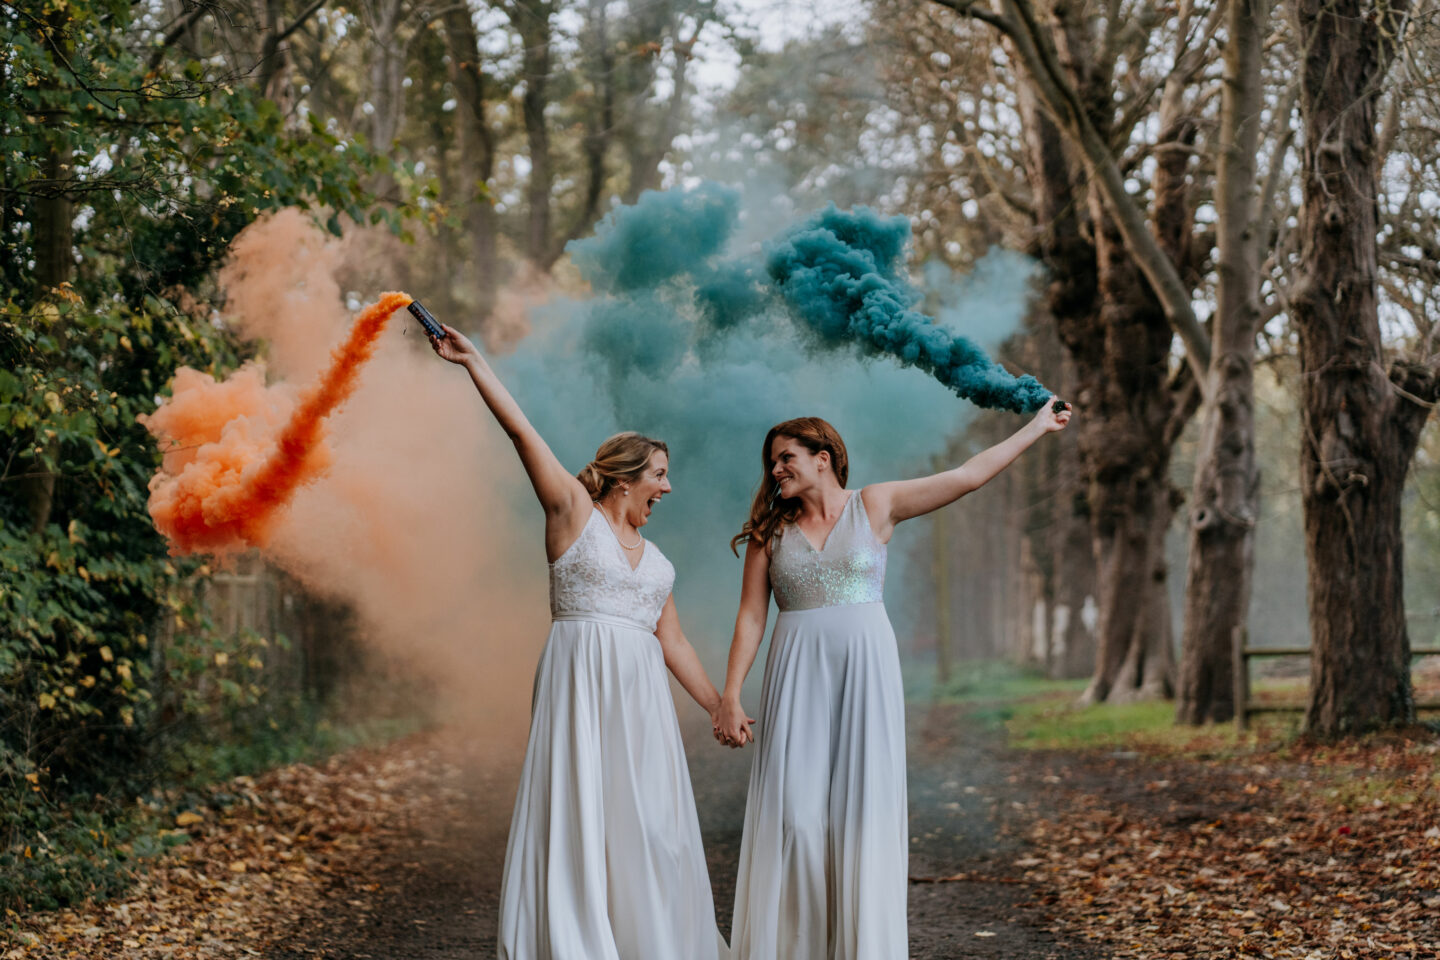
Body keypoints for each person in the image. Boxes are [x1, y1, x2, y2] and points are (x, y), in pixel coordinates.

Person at [715, 401, 1072, 960]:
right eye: (772, 463)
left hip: (864, 671)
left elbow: (966, 477)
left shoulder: (875, 505)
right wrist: (731, 694)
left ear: (824, 459)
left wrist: (1037, 425)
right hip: (795, 673)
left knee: (859, 814)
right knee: (797, 817)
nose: (775, 470)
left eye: (785, 458)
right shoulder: (769, 532)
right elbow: (751, 617)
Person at [428, 323, 725, 960]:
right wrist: (473, 360)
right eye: (661, 475)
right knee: (579, 812)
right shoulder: (571, 513)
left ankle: (654, 940)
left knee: (650, 825)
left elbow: (674, 643)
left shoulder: (659, 562)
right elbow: (520, 432)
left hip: (642, 704)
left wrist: (718, 705)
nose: (668, 488)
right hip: (580, 687)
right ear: (625, 478)